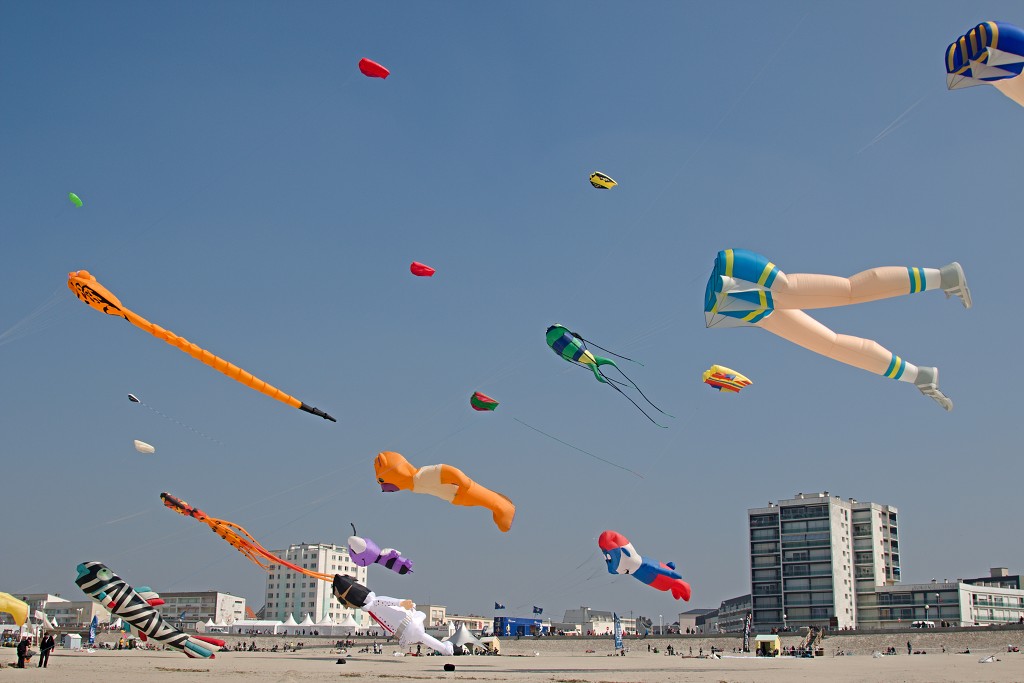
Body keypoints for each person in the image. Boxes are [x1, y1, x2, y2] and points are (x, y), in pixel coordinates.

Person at [705, 249, 971, 410]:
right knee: (830, 344)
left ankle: (942, 276)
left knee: (849, 291)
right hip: (732, 305)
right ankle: (918, 375)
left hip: (738, 277)